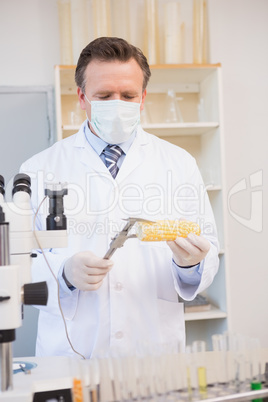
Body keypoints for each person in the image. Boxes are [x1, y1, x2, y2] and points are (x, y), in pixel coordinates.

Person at [20, 37, 219, 359]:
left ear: (142, 98)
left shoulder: (178, 163)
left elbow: (207, 247)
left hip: (151, 346)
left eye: (128, 95)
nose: (117, 104)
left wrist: (192, 264)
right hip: (73, 349)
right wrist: (64, 272)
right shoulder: (39, 168)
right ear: (82, 97)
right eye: (104, 95)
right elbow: (19, 263)